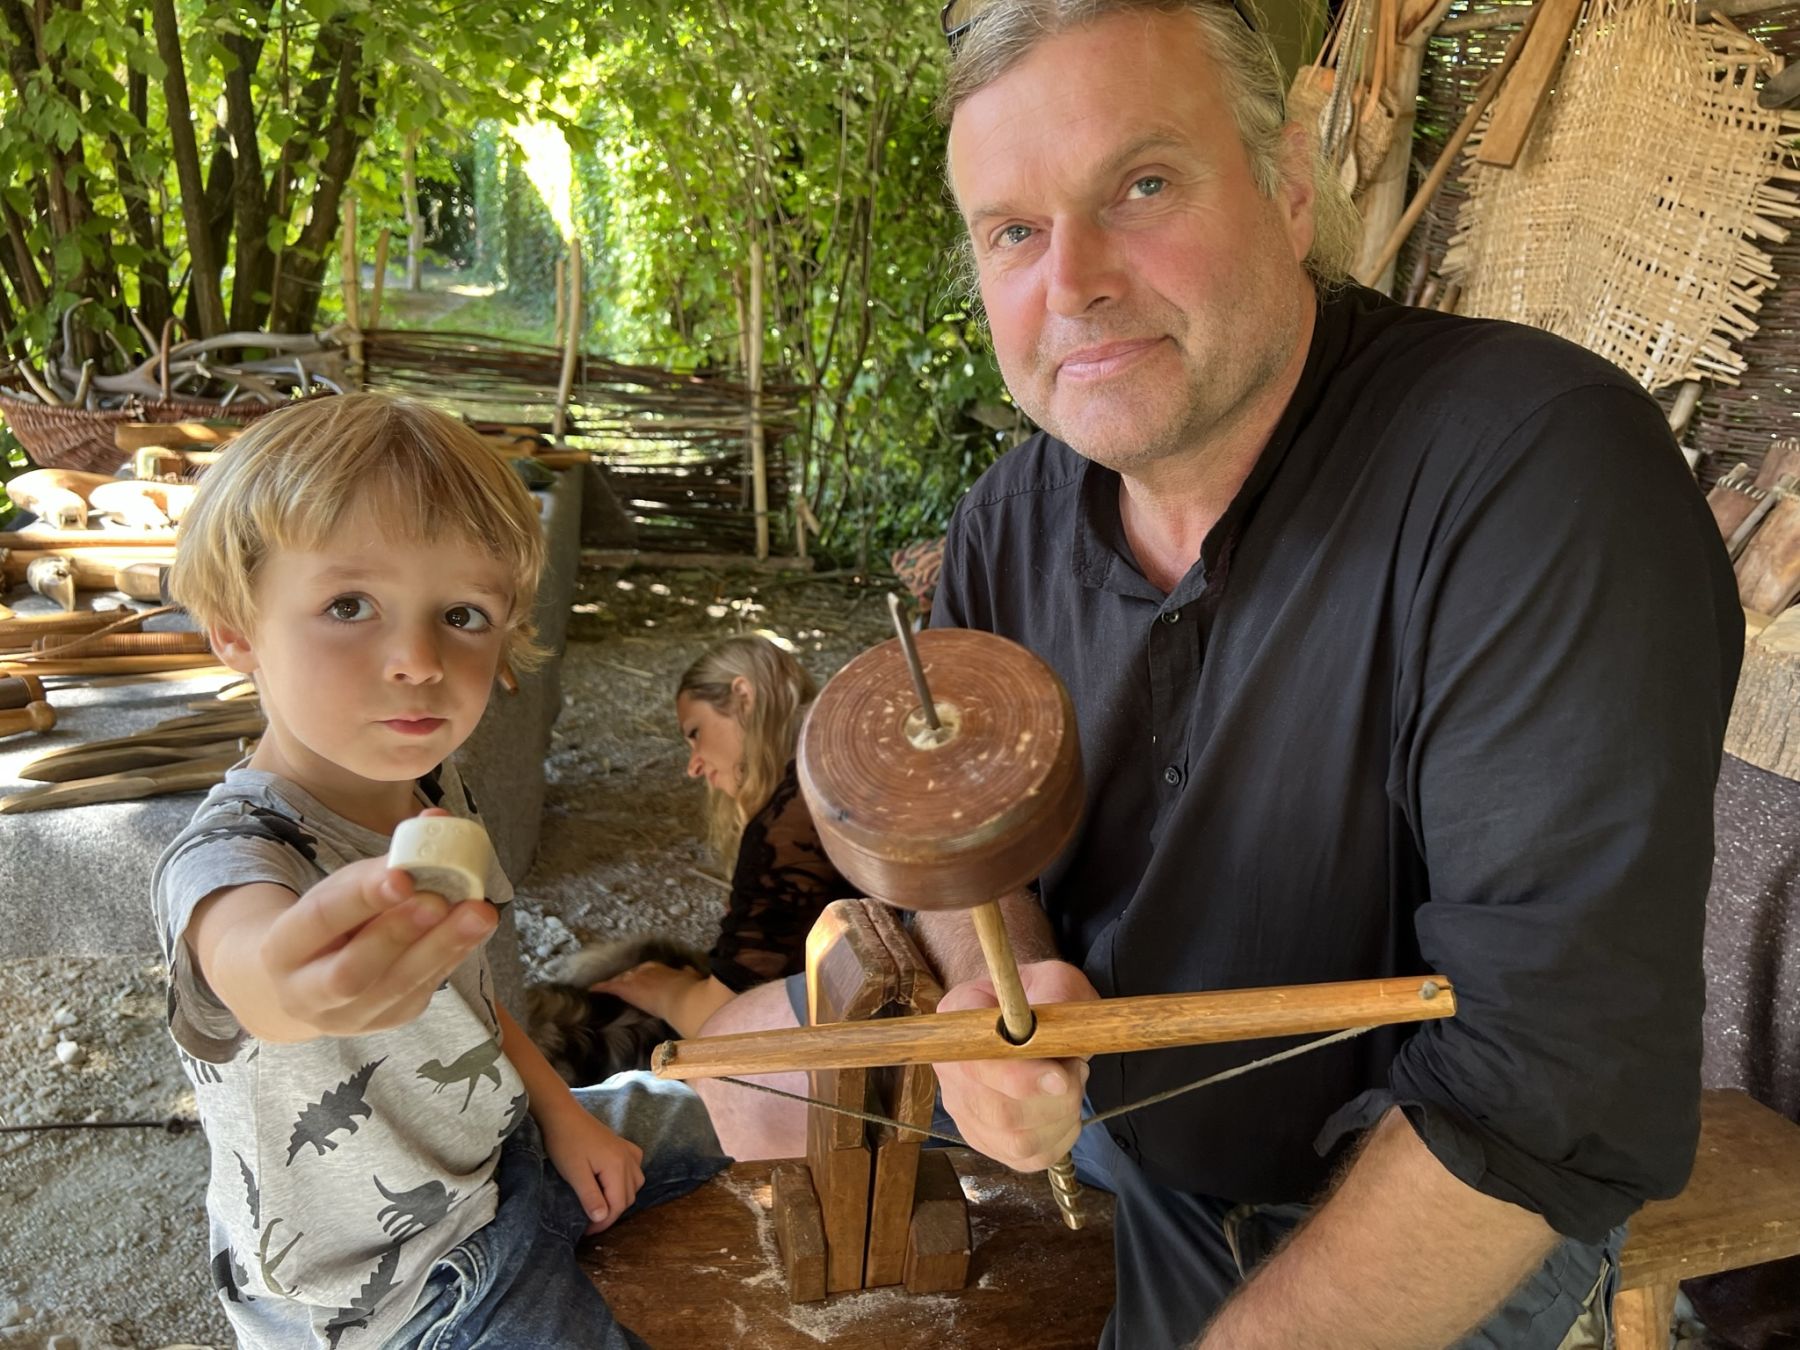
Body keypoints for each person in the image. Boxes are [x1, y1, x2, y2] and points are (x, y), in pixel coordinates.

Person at [706, 3, 1743, 1347]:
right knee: (729, 1089)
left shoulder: (1534, 472)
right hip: (1128, 1147)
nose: (1071, 278)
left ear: (1292, 180)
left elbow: (1543, 1090)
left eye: (1140, 185)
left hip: (1426, 1203)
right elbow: (969, 842)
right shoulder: (1014, 519)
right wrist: (1001, 989)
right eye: (1013, 230)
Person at [153, 393, 728, 1350]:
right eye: (349, 606)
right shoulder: (234, 854)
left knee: (748, 1110)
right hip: (397, 1294)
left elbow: (469, 1002)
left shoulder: (430, 791)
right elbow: (248, 965)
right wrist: (292, 987)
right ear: (237, 628)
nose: (418, 660)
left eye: (461, 613)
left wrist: (559, 1115)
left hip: (505, 1154)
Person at [591, 635, 856, 1037]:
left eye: (695, 732)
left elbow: (727, 1024)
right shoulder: (825, 768)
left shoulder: (786, 823)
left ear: (743, 697)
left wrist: (666, 993)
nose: (693, 767)